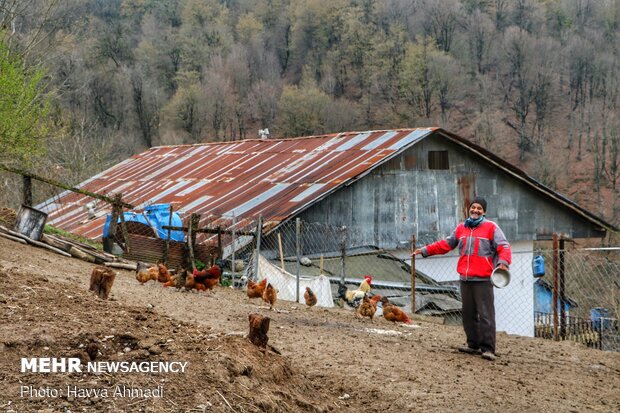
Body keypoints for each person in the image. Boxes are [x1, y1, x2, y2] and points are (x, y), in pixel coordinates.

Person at [413, 197, 511, 361]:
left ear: (484, 212)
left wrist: (503, 263)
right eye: (473, 207)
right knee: (468, 314)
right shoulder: (461, 228)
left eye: (479, 208)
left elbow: (504, 247)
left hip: (483, 279)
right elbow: (446, 244)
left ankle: (488, 349)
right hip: (465, 278)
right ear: (469, 209)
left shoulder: (491, 228)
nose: (476, 210)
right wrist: (424, 250)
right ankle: (473, 345)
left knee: (486, 314)